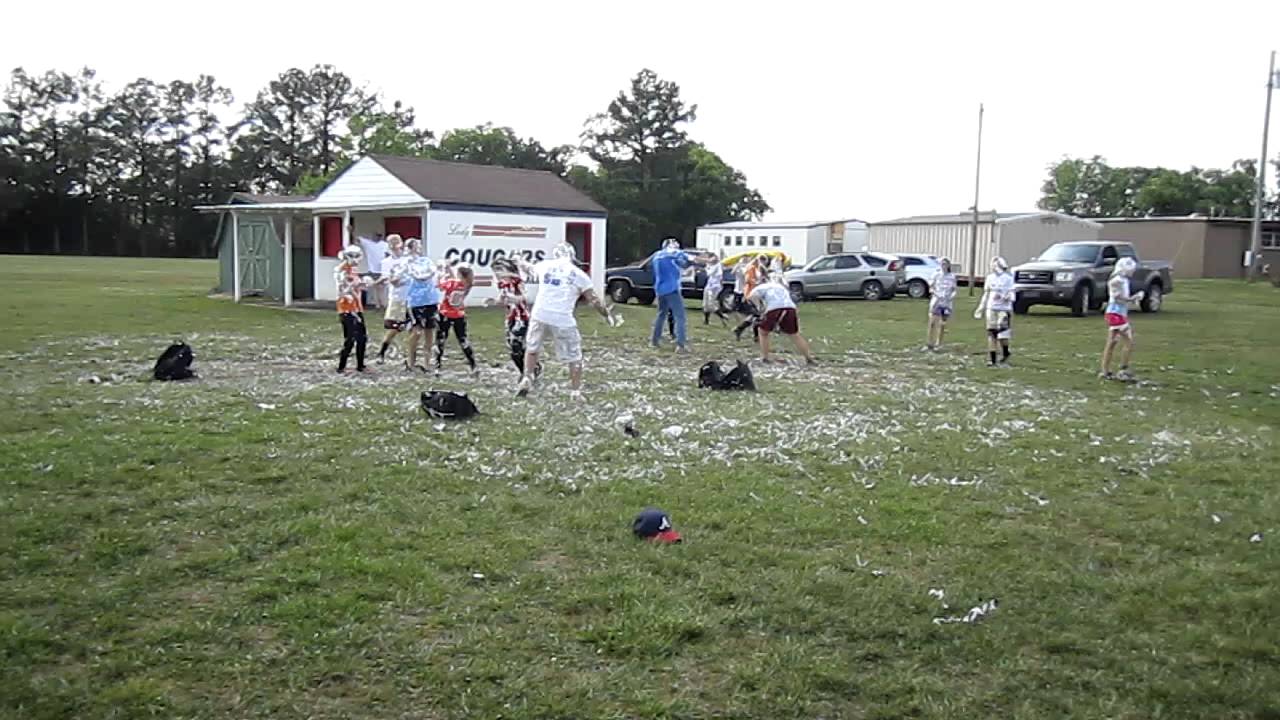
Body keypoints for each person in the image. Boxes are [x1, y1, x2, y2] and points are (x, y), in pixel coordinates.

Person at [514, 243, 620, 401]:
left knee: (532, 348)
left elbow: (528, 268)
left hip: (539, 314)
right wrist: (606, 314)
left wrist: (518, 260)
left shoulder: (545, 265)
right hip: (562, 318)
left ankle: (527, 377)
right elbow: (594, 299)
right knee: (575, 356)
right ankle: (575, 391)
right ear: (572, 256)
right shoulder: (578, 274)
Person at [648, 238, 702, 352]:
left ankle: (654, 341)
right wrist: (699, 261)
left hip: (660, 288)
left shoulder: (657, 255)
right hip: (672, 288)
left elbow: (679, 265)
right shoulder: (675, 253)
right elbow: (689, 261)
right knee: (680, 317)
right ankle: (680, 345)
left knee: (661, 314)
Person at [748, 278, 817, 365]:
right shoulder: (780, 286)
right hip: (790, 308)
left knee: (763, 332)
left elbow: (751, 297)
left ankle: (765, 358)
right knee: (795, 335)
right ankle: (809, 358)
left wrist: (759, 308)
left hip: (774, 308)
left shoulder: (758, 288)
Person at [1100, 257, 1145, 381]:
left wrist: (1132, 299)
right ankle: (1122, 370)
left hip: (1117, 314)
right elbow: (1118, 298)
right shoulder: (1117, 281)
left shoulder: (1123, 280)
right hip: (1116, 314)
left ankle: (1106, 370)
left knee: (1113, 343)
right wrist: (1134, 298)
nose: (1133, 272)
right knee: (1127, 342)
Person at [493, 256, 538, 376]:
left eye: (499, 270)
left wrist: (514, 298)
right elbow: (502, 300)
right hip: (511, 318)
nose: (497, 274)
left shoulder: (517, 281)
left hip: (522, 318)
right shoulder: (502, 284)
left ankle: (527, 373)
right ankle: (531, 369)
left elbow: (525, 297)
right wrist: (495, 301)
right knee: (514, 350)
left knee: (516, 346)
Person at [433, 263, 478, 374]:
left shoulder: (451, 283)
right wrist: (449, 270)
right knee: (463, 340)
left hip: (445, 314)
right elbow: (456, 281)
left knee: (440, 340)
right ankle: (473, 365)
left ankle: (437, 366)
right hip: (459, 315)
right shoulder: (468, 285)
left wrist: (441, 274)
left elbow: (439, 285)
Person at [404, 246, 443, 373]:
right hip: (415, 301)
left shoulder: (427, 261)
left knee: (429, 332)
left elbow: (432, 272)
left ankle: (427, 363)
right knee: (417, 332)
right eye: (413, 247)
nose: (416, 250)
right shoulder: (406, 262)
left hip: (430, 299)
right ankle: (410, 361)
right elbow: (417, 276)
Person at [974, 256, 1016, 367]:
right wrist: (980, 308)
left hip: (1003, 310)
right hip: (991, 308)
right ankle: (992, 360)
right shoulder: (990, 278)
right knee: (992, 333)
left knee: (1002, 335)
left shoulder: (1008, 279)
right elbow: (986, 294)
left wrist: (1005, 297)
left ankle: (1005, 351)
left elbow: (1013, 295)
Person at [334, 245, 370, 374]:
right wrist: (351, 287)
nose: (358, 260)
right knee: (350, 338)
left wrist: (363, 284)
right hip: (346, 308)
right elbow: (341, 291)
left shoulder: (353, 270)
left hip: (357, 306)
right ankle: (341, 367)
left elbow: (356, 286)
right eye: (356, 257)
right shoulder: (341, 270)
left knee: (362, 338)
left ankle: (360, 365)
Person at [376, 235, 409, 362]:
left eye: (396, 242)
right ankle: (382, 352)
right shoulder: (386, 262)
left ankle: (410, 356)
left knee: (416, 327)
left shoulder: (408, 259)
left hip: (412, 296)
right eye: (391, 243)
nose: (394, 245)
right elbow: (386, 278)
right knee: (395, 327)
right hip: (397, 297)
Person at [925, 257, 958, 351]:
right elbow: (931, 287)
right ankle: (929, 343)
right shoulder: (936, 274)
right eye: (942, 264)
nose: (943, 266)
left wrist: (951, 296)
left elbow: (954, 290)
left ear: (948, 265)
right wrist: (936, 294)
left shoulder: (952, 276)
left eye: (945, 264)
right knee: (932, 322)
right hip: (937, 301)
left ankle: (938, 344)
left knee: (942, 323)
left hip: (946, 302)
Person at [733, 255, 767, 342]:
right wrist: (758, 282)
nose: (763, 263)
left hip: (758, 294)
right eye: (762, 260)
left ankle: (741, 330)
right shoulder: (751, 268)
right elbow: (748, 280)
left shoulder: (759, 269)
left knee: (755, 315)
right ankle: (754, 335)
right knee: (758, 315)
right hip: (751, 293)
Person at [358, 231, 388, 309]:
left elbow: (388, 255)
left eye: (378, 236)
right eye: (375, 236)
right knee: (375, 288)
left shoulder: (385, 245)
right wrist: (350, 231)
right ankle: (377, 304)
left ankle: (383, 304)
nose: (375, 237)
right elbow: (358, 239)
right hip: (372, 270)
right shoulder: (368, 244)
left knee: (381, 288)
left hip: (382, 270)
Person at [702, 254, 729, 326]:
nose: (711, 260)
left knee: (711, 304)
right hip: (709, 285)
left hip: (715, 287)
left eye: (713, 258)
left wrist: (707, 267)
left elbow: (709, 273)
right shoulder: (712, 265)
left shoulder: (717, 266)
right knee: (705, 304)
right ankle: (706, 321)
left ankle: (722, 316)